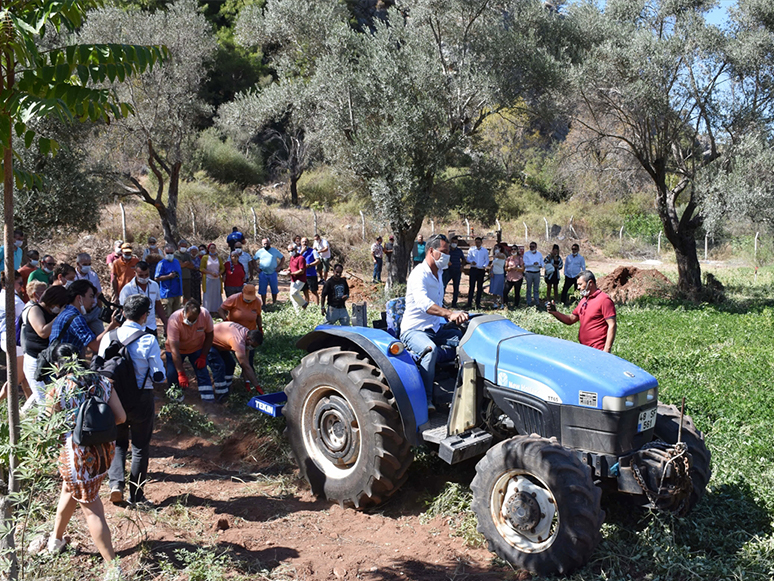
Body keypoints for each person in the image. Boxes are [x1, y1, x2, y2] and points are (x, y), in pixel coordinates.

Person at [39, 344, 126, 580]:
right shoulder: (103, 382)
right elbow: (121, 417)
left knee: (92, 509)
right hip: (103, 452)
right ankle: (55, 541)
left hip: (76, 455)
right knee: (70, 490)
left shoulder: (57, 388)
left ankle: (113, 567)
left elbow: (47, 427)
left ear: (58, 364)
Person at [100, 295, 166, 507]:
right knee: (139, 447)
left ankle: (115, 485)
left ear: (124, 313)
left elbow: (101, 366)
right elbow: (159, 374)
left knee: (118, 443)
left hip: (113, 399)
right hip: (141, 399)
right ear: (145, 315)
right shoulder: (148, 339)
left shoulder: (108, 337)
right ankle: (136, 496)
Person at [401, 234, 468, 412]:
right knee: (430, 350)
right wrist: (449, 313)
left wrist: (451, 315)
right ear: (431, 251)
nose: (447, 255)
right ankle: (426, 399)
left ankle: (463, 389)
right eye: (444, 251)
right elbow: (424, 304)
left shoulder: (438, 274)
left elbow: (438, 302)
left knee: (466, 339)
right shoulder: (418, 274)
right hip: (414, 330)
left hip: (435, 328)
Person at [21, 285, 69, 411]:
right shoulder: (35, 310)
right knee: (45, 403)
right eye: (60, 305)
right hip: (34, 360)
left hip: (48, 360)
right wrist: (61, 315)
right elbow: (42, 331)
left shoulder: (49, 312)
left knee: (51, 397)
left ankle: (25, 413)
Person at [548, 270, 617, 352]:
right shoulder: (584, 300)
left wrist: (606, 350)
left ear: (590, 283)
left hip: (598, 350)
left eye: (580, 284)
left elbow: (612, 325)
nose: (578, 288)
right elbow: (571, 319)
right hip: (584, 348)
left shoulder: (604, 300)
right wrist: (555, 312)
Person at [49, 280, 119, 357]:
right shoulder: (75, 319)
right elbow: (95, 346)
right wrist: (113, 325)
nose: (93, 301)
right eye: (91, 296)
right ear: (79, 298)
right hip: (65, 364)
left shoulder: (66, 312)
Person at [165, 298, 217, 401]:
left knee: (202, 372)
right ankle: (176, 400)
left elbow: (210, 335)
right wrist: (181, 373)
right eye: (189, 319)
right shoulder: (174, 320)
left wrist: (203, 356)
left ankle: (208, 401)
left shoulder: (205, 315)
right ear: (184, 312)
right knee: (172, 374)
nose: (191, 322)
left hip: (196, 347)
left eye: (194, 319)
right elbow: (174, 350)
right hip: (177, 350)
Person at [208, 322, 263, 399]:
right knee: (219, 366)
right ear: (248, 339)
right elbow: (245, 366)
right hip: (207, 342)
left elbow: (246, 363)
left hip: (220, 343)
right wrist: (257, 387)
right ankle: (221, 396)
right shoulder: (238, 341)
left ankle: (226, 388)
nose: (252, 348)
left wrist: (247, 382)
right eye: (252, 345)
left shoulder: (246, 333)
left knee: (230, 364)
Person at [0, 270, 29, 401]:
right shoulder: (14, 301)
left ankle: (32, 407)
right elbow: (27, 317)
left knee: (26, 375)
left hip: (5, 338)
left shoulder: (2, 296)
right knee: (17, 378)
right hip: (14, 341)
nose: (21, 286)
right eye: (19, 283)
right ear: (7, 284)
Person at [120, 261, 167, 336]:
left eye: (146, 275)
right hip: (135, 329)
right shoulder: (128, 289)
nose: (144, 278)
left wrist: (165, 322)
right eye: (141, 275)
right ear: (135, 273)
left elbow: (158, 305)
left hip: (151, 326)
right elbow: (123, 309)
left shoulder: (154, 285)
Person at [74, 253, 105, 336]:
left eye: (89, 264)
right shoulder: (72, 276)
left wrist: (100, 308)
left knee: (100, 335)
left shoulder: (93, 275)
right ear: (78, 264)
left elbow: (98, 293)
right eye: (84, 264)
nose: (87, 266)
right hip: (79, 313)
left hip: (94, 311)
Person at [254, 238, 285, 305]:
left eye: (267, 243)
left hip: (273, 273)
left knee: (274, 289)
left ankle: (274, 303)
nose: (266, 244)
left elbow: (282, 258)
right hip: (263, 273)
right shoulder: (260, 251)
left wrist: (279, 267)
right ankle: (264, 304)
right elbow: (253, 260)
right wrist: (256, 268)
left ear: (269, 243)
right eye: (264, 243)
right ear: (262, 244)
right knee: (262, 290)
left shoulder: (274, 250)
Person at [155, 244, 183, 317]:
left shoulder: (176, 262)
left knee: (177, 315)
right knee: (167, 315)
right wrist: (168, 276)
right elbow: (157, 277)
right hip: (167, 293)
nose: (170, 255)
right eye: (168, 253)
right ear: (164, 253)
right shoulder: (161, 263)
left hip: (177, 292)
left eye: (171, 253)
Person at [200, 243, 224, 313]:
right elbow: (201, 268)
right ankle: (207, 311)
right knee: (208, 295)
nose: (213, 249)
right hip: (208, 279)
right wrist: (210, 273)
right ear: (208, 249)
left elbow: (222, 268)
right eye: (211, 248)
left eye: (214, 248)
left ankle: (217, 310)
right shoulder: (205, 257)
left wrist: (219, 273)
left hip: (217, 279)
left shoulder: (218, 258)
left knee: (217, 294)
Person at [466, 237, 489, 310]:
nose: (477, 243)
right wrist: (471, 262)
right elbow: (468, 258)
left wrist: (484, 266)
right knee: (471, 286)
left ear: (481, 243)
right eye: (476, 242)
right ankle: (469, 303)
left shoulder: (484, 251)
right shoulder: (472, 249)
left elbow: (487, 260)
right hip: (473, 269)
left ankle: (477, 303)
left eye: (479, 242)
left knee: (479, 287)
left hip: (481, 270)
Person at [443, 236, 466, 308]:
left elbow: (463, 259)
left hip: (457, 271)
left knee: (456, 287)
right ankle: (442, 301)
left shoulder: (459, 251)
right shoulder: (447, 250)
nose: (454, 243)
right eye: (453, 242)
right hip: (448, 270)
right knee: (443, 286)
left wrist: (462, 267)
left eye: (455, 242)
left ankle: (454, 303)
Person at [287, 243, 308, 311]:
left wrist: (292, 273)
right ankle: (297, 312)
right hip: (293, 279)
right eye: (289, 251)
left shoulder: (301, 258)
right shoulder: (292, 258)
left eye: (291, 250)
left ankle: (304, 303)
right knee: (292, 296)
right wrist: (287, 270)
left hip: (300, 279)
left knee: (294, 293)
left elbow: (302, 271)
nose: (290, 252)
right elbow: (291, 267)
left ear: (296, 249)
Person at [301, 237, 321, 305]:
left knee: (314, 291)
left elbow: (318, 261)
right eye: (303, 242)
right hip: (302, 275)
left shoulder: (313, 251)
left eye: (306, 241)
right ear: (301, 243)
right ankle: (306, 306)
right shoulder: (299, 252)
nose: (304, 243)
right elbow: (296, 259)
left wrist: (309, 265)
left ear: (308, 242)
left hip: (311, 275)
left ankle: (317, 306)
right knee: (305, 291)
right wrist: (302, 252)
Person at [523, 241, 543, 307]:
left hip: (537, 272)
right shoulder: (526, 254)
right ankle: (529, 302)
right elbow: (525, 264)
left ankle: (537, 301)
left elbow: (542, 263)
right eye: (530, 246)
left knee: (536, 288)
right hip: (529, 273)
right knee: (529, 288)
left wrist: (540, 265)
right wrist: (533, 264)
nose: (531, 248)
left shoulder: (539, 254)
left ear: (536, 247)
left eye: (533, 246)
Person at [489, 244, 507, 309]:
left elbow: (498, 256)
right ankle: (495, 303)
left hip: (500, 274)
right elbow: (492, 264)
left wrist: (495, 254)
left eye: (496, 248)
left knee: (500, 289)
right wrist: (491, 272)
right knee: (494, 290)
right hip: (494, 274)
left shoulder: (502, 255)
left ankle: (502, 304)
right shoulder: (495, 257)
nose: (495, 249)